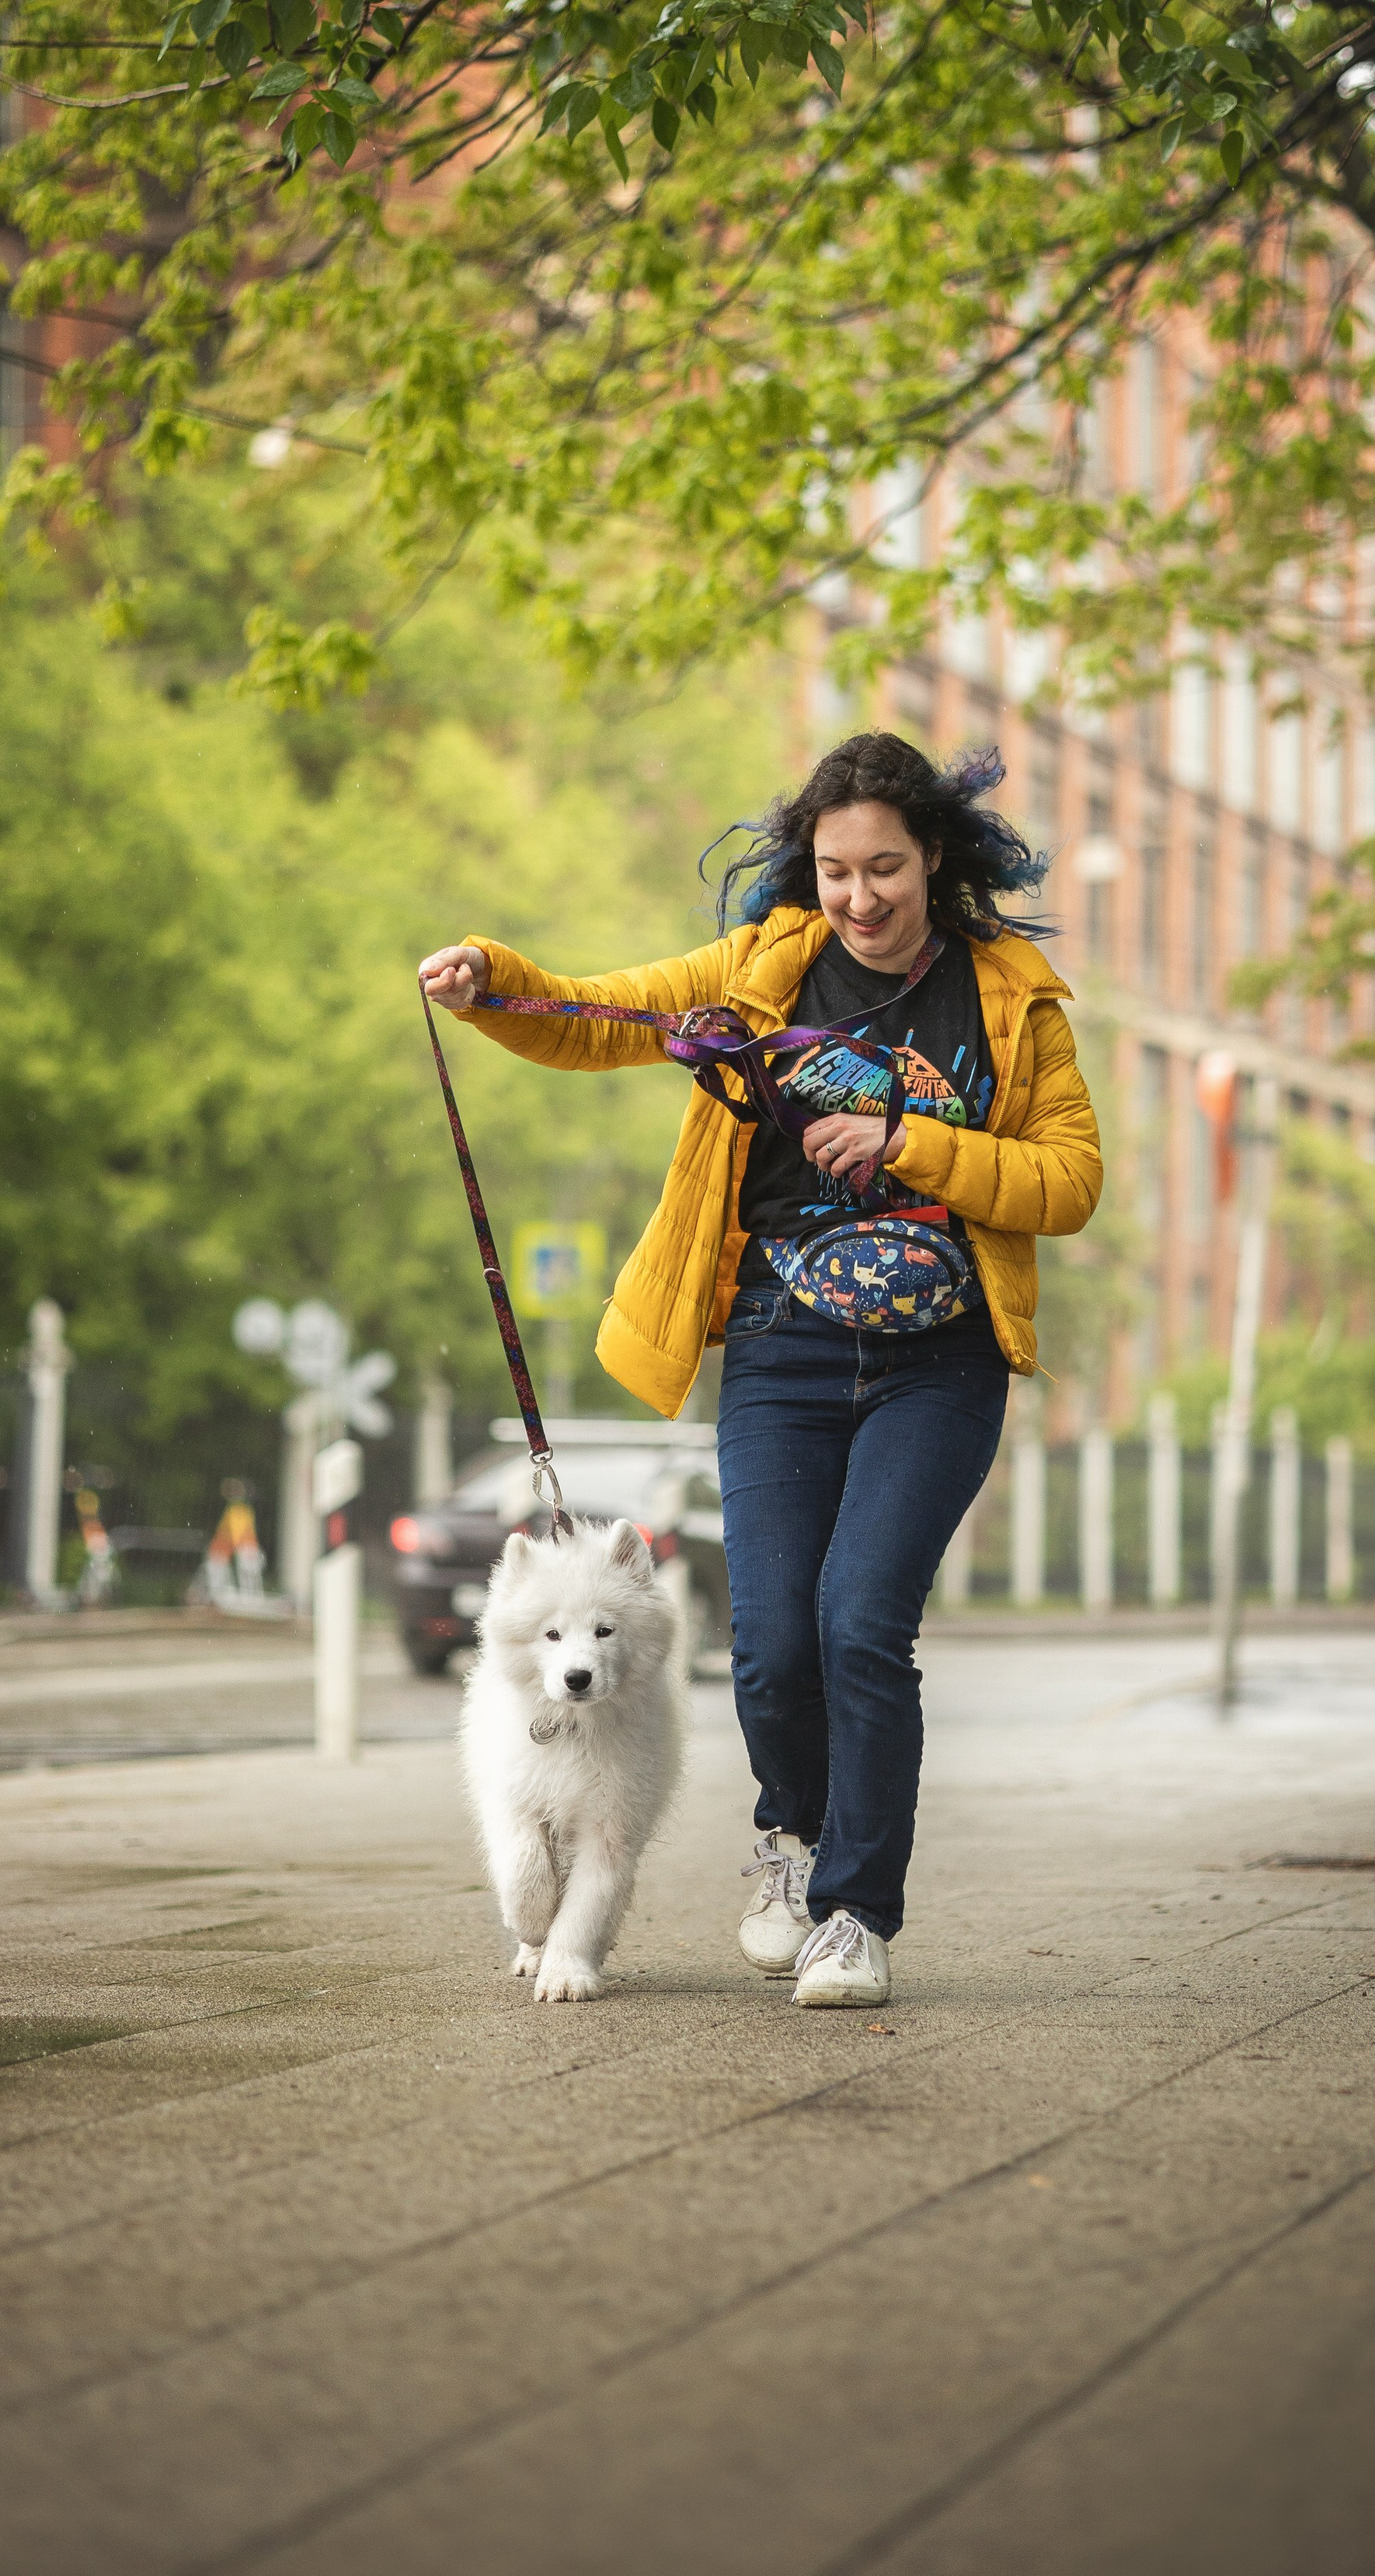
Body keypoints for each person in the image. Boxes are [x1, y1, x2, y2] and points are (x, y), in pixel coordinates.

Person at [419, 732, 1102, 2010]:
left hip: (939, 1363)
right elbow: (597, 1015)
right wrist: (491, 983)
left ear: (933, 857)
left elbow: (1071, 1181)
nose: (859, 897)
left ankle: (854, 1915)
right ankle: (791, 1834)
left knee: (862, 1625)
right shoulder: (761, 969)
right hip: (783, 1347)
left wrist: (910, 1144)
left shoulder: (1012, 999)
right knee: (776, 1641)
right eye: (836, 871)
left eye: (884, 869)